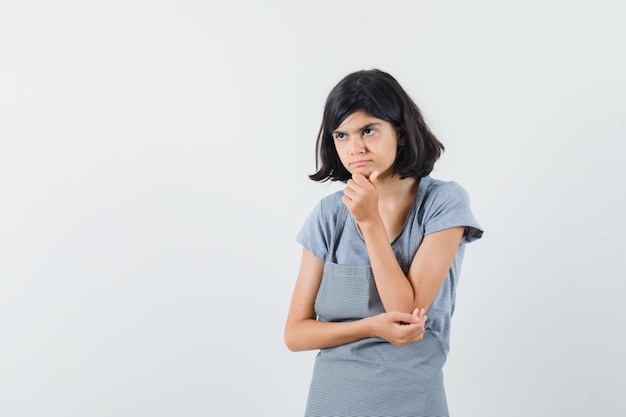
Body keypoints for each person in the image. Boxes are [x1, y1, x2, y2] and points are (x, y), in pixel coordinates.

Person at [284, 68, 483, 417]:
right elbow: (295, 334)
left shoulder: (443, 203)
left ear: (401, 134)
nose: (355, 148)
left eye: (368, 131)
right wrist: (370, 326)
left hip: (411, 399)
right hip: (332, 401)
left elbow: (405, 313)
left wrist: (369, 222)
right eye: (341, 136)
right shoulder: (329, 215)